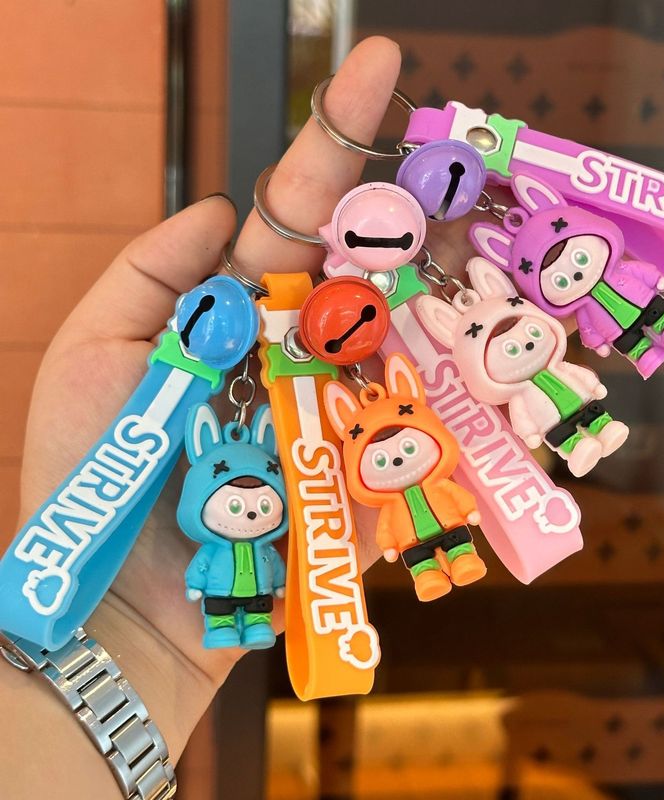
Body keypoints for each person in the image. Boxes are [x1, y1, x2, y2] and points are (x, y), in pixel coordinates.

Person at [0, 36, 485, 799]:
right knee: (238, 605)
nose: (255, 497)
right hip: (191, 583)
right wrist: (137, 627)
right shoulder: (196, 413)